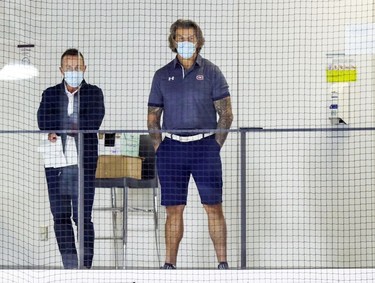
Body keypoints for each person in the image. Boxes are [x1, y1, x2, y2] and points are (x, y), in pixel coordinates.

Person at [147, 19, 233, 269]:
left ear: (199, 41)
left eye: (190, 38)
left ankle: (223, 264)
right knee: (174, 209)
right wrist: (159, 147)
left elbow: (226, 114)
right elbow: (153, 116)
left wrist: (214, 145)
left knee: (213, 206)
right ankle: (169, 265)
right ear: (173, 41)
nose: (186, 42)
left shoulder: (212, 72)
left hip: (205, 147)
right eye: (181, 38)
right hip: (171, 150)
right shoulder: (162, 75)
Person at [37, 48, 105, 269]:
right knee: (60, 216)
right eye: (69, 68)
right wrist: (62, 128)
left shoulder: (94, 93)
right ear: (61, 70)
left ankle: (85, 267)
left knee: (82, 217)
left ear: (84, 69)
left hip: (83, 163)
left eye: (77, 68)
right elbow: (43, 120)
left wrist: (66, 127)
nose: (73, 71)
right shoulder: (49, 94)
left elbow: (93, 120)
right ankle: (70, 266)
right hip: (56, 162)